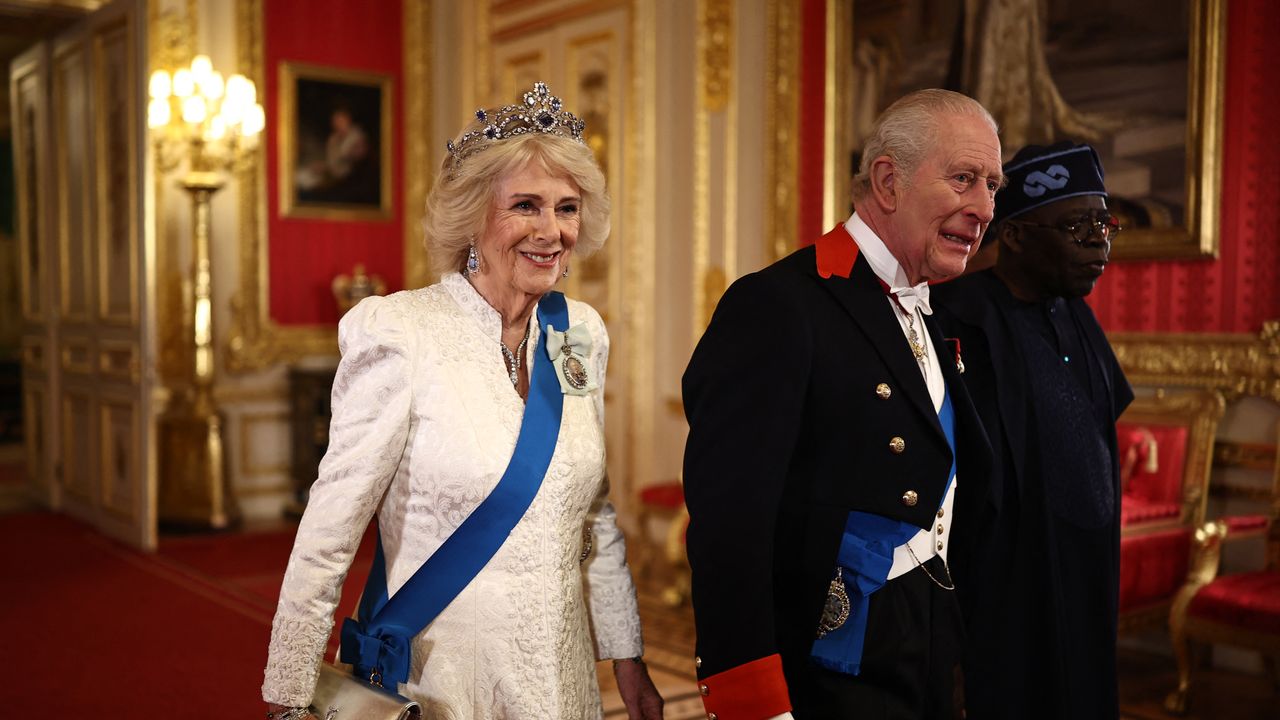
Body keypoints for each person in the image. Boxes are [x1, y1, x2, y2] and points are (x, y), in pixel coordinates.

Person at [262, 82, 663, 720]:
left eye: (566, 208)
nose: (551, 232)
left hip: (565, 687)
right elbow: (328, 533)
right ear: (474, 216)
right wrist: (289, 698)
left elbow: (593, 513)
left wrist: (627, 654)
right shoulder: (401, 334)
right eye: (526, 206)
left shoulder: (580, 332)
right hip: (446, 687)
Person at [682, 89, 1000, 719]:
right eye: (964, 179)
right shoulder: (779, 305)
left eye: (993, 185)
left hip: (926, 631)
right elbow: (730, 526)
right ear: (888, 180)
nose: (984, 208)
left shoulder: (935, 312)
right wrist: (752, 697)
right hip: (828, 655)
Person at [932, 141, 1133, 720]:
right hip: (1005, 587)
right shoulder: (958, 319)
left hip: (1086, 571)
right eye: (1076, 226)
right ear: (1014, 235)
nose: (1099, 240)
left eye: (1104, 223)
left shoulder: (1075, 313)